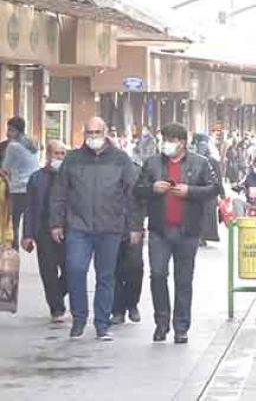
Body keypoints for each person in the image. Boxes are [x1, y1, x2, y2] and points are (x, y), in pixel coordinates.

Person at [50, 117, 141, 341]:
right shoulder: (72, 158)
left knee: (106, 277)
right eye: (88, 132)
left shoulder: (121, 159)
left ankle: (102, 324)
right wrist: (56, 223)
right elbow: (59, 193)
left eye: (96, 132)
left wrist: (135, 227)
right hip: (78, 227)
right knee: (75, 269)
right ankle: (79, 318)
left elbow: (132, 195)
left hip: (110, 228)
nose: (92, 137)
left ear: (105, 132)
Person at [134, 123, 220, 344]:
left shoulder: (200, 163)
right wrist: (152, 188)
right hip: (159, 231)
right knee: (158, 275)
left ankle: (181, 326)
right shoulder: (152, 163)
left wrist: (189, 191)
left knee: (183, 280)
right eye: (164, 139)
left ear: (181, 142)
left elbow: (213, 188)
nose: (166, 144)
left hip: (187, 231)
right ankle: (161, 322)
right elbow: (138, 189)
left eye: (170, 140)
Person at [22, 140, 67, 322]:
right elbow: (30, 208)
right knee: (48, 271)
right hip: (44, 231)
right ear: (48, 155)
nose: (60, 157)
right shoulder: (36, 178)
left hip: (67, 230)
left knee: (72, 270)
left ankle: (57, 295)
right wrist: (27, 235)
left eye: (63, 154)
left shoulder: (70, 178)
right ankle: (56, 307)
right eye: (56, 154)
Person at [111, 159, 145, 325]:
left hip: (132, 226)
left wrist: (137, 226)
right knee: (113, 270)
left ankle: (132, 303)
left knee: (135, 267)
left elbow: (141, 201)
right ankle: (117, 309)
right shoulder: (101, 169)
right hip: (109, 226)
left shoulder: (136, 171)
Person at [2, 116, 39, 250]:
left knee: (13, 224)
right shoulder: (32, 143)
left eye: (10, 130)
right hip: (34, 188)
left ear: (17, 131)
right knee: (30, 220)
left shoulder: (13, 146)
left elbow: (5, 168)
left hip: (18, 190)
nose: (7, 133)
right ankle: (28, 241)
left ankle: (13, 253)